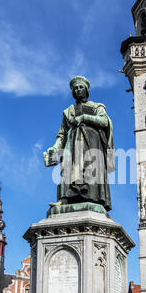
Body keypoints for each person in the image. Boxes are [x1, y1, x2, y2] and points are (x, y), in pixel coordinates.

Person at [43, 76, 115, 211]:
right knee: (68, 170)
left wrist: (84, 118)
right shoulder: (67, 111)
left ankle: (92, 198)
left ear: (86, 90)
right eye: (75, 88)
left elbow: (105, 121)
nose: (78, 90)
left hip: (92, 143)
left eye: (81, 87)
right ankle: (65, 200)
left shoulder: (96, 107)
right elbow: (62, 134)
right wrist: (54, 148)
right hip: (72, 143)